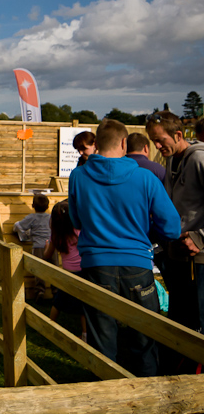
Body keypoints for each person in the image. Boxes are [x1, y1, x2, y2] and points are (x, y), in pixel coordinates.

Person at [68, 119, 181, 376]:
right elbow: (172, 227)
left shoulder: (78, 176)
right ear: (123, 143)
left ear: (96, 144)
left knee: (102, 343)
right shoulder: (145, 177)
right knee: (144, 341)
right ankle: (148, 399)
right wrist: (146, 232)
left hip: (96, 264)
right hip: (138, 264)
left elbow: (76, 221)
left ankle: (106, 397)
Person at [146, 111, 204, 335]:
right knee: (182, 319)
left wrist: (199, 237)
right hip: (177, 254)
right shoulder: (171, 160)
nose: (157, 145)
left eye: (161, 140)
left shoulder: (199, 159)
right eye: (153, 141)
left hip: (198, 258)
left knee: (199, 322)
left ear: (178, 134)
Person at [43, 201, 87, 341]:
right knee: (83, 305)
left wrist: (46, 246)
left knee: (58, 302)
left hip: (67, 274)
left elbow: (46, 256)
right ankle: (85, 335)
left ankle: (50, 325)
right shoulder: (79, 232)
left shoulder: (56, 236)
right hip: (83, 272)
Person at [13, 194, 51, 300]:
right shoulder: (50, 217)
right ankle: (56, 291)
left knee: (39, 270)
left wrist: (25, 236)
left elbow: (18, 226)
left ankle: (40, 292)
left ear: (33, 205)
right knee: (55, 269)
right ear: (48, 206)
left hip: (38, 246)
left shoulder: (32, 218)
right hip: (52, 246)